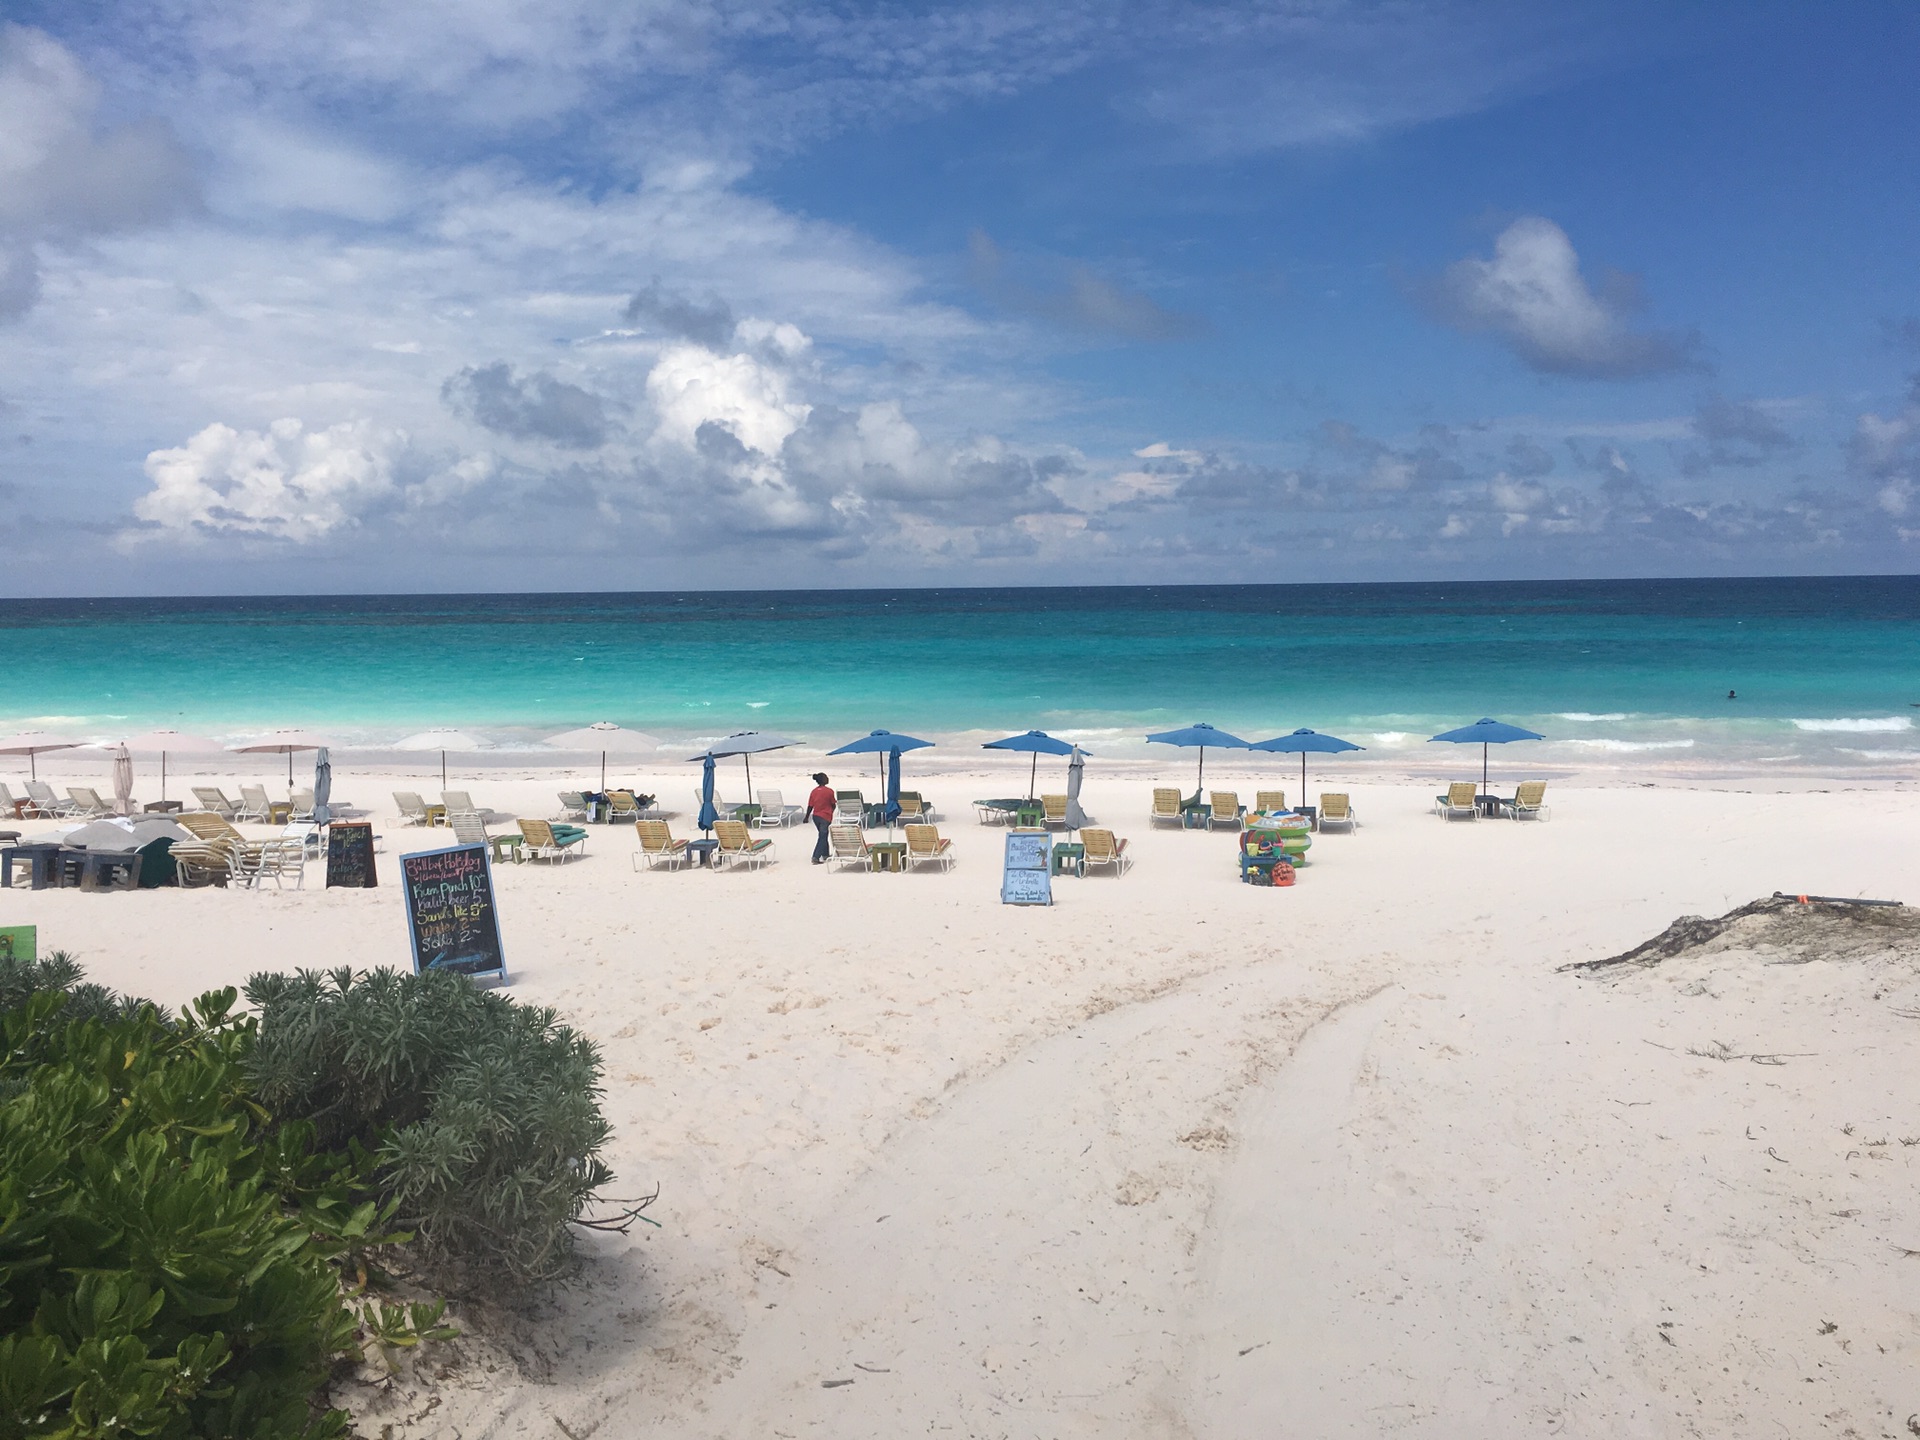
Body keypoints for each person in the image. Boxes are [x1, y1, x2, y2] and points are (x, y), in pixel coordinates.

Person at [806, 772, 836, 864]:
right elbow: (833, 804)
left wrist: (806, 817)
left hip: (816, 817)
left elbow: (810, 806)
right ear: (823, 780)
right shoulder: (829, 791)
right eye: (826, 777)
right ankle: (816, 856)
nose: (828, 778)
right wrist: (830, 812)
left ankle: (825, 854)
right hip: (825, 817)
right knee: (822, 837)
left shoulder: (814, 791)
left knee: (823, 835)